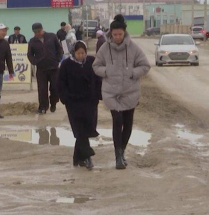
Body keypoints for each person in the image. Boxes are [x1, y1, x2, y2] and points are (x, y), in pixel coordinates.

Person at [93, 15, 150, 170]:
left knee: (128, 124)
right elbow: (96, 66)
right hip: (111, 92)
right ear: (110, 33)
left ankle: (122, 150)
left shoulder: (133, 48)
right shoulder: (104, 48)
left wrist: (133, 72)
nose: (117, 37)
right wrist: (106, 71)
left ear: (124, 33)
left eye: (120, 34)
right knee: (117, 121)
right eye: (114, 34)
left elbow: (145, 65)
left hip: (130, 91)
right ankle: (118, 156)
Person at [59, 41, 101, 170]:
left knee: (88, 127)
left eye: (83, 53)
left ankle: (77, 157)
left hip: (90, 101)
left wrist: (97, 95)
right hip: (74, 102)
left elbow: (98, 79)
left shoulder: (91, 62)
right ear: (73, 53)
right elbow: (60, 83)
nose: (81, 56)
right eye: (78, 53)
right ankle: (87, 156)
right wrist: (65, 98)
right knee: (79, 129)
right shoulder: (66, 64)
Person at [27, 23, 63, 114]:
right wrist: (35, 61)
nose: (38, 33)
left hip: (54, 68)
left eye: (39, 31)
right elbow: (30, 54)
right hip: (41, 69)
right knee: (42, 90)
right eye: (35, 32)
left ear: (42, 29)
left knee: (55, 88)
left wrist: (57, 59)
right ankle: (43, 107)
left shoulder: (52, 37)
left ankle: (53, 102)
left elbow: (59, 49)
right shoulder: (32, 41)